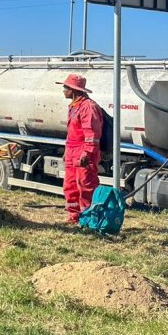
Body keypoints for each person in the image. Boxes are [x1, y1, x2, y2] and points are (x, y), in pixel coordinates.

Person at [58, 73, 103, 224]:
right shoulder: (74, 106)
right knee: (70, 185)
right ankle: (74, 217)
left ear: (74, 89)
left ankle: (89, 218)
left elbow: (92, 134)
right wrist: (67, 152)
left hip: (84, 152)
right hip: (72, 151)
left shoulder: (88, 107)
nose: (63, 90)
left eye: (66, 87)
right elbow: (72, 133)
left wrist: (87, 153)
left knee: (86, 185)